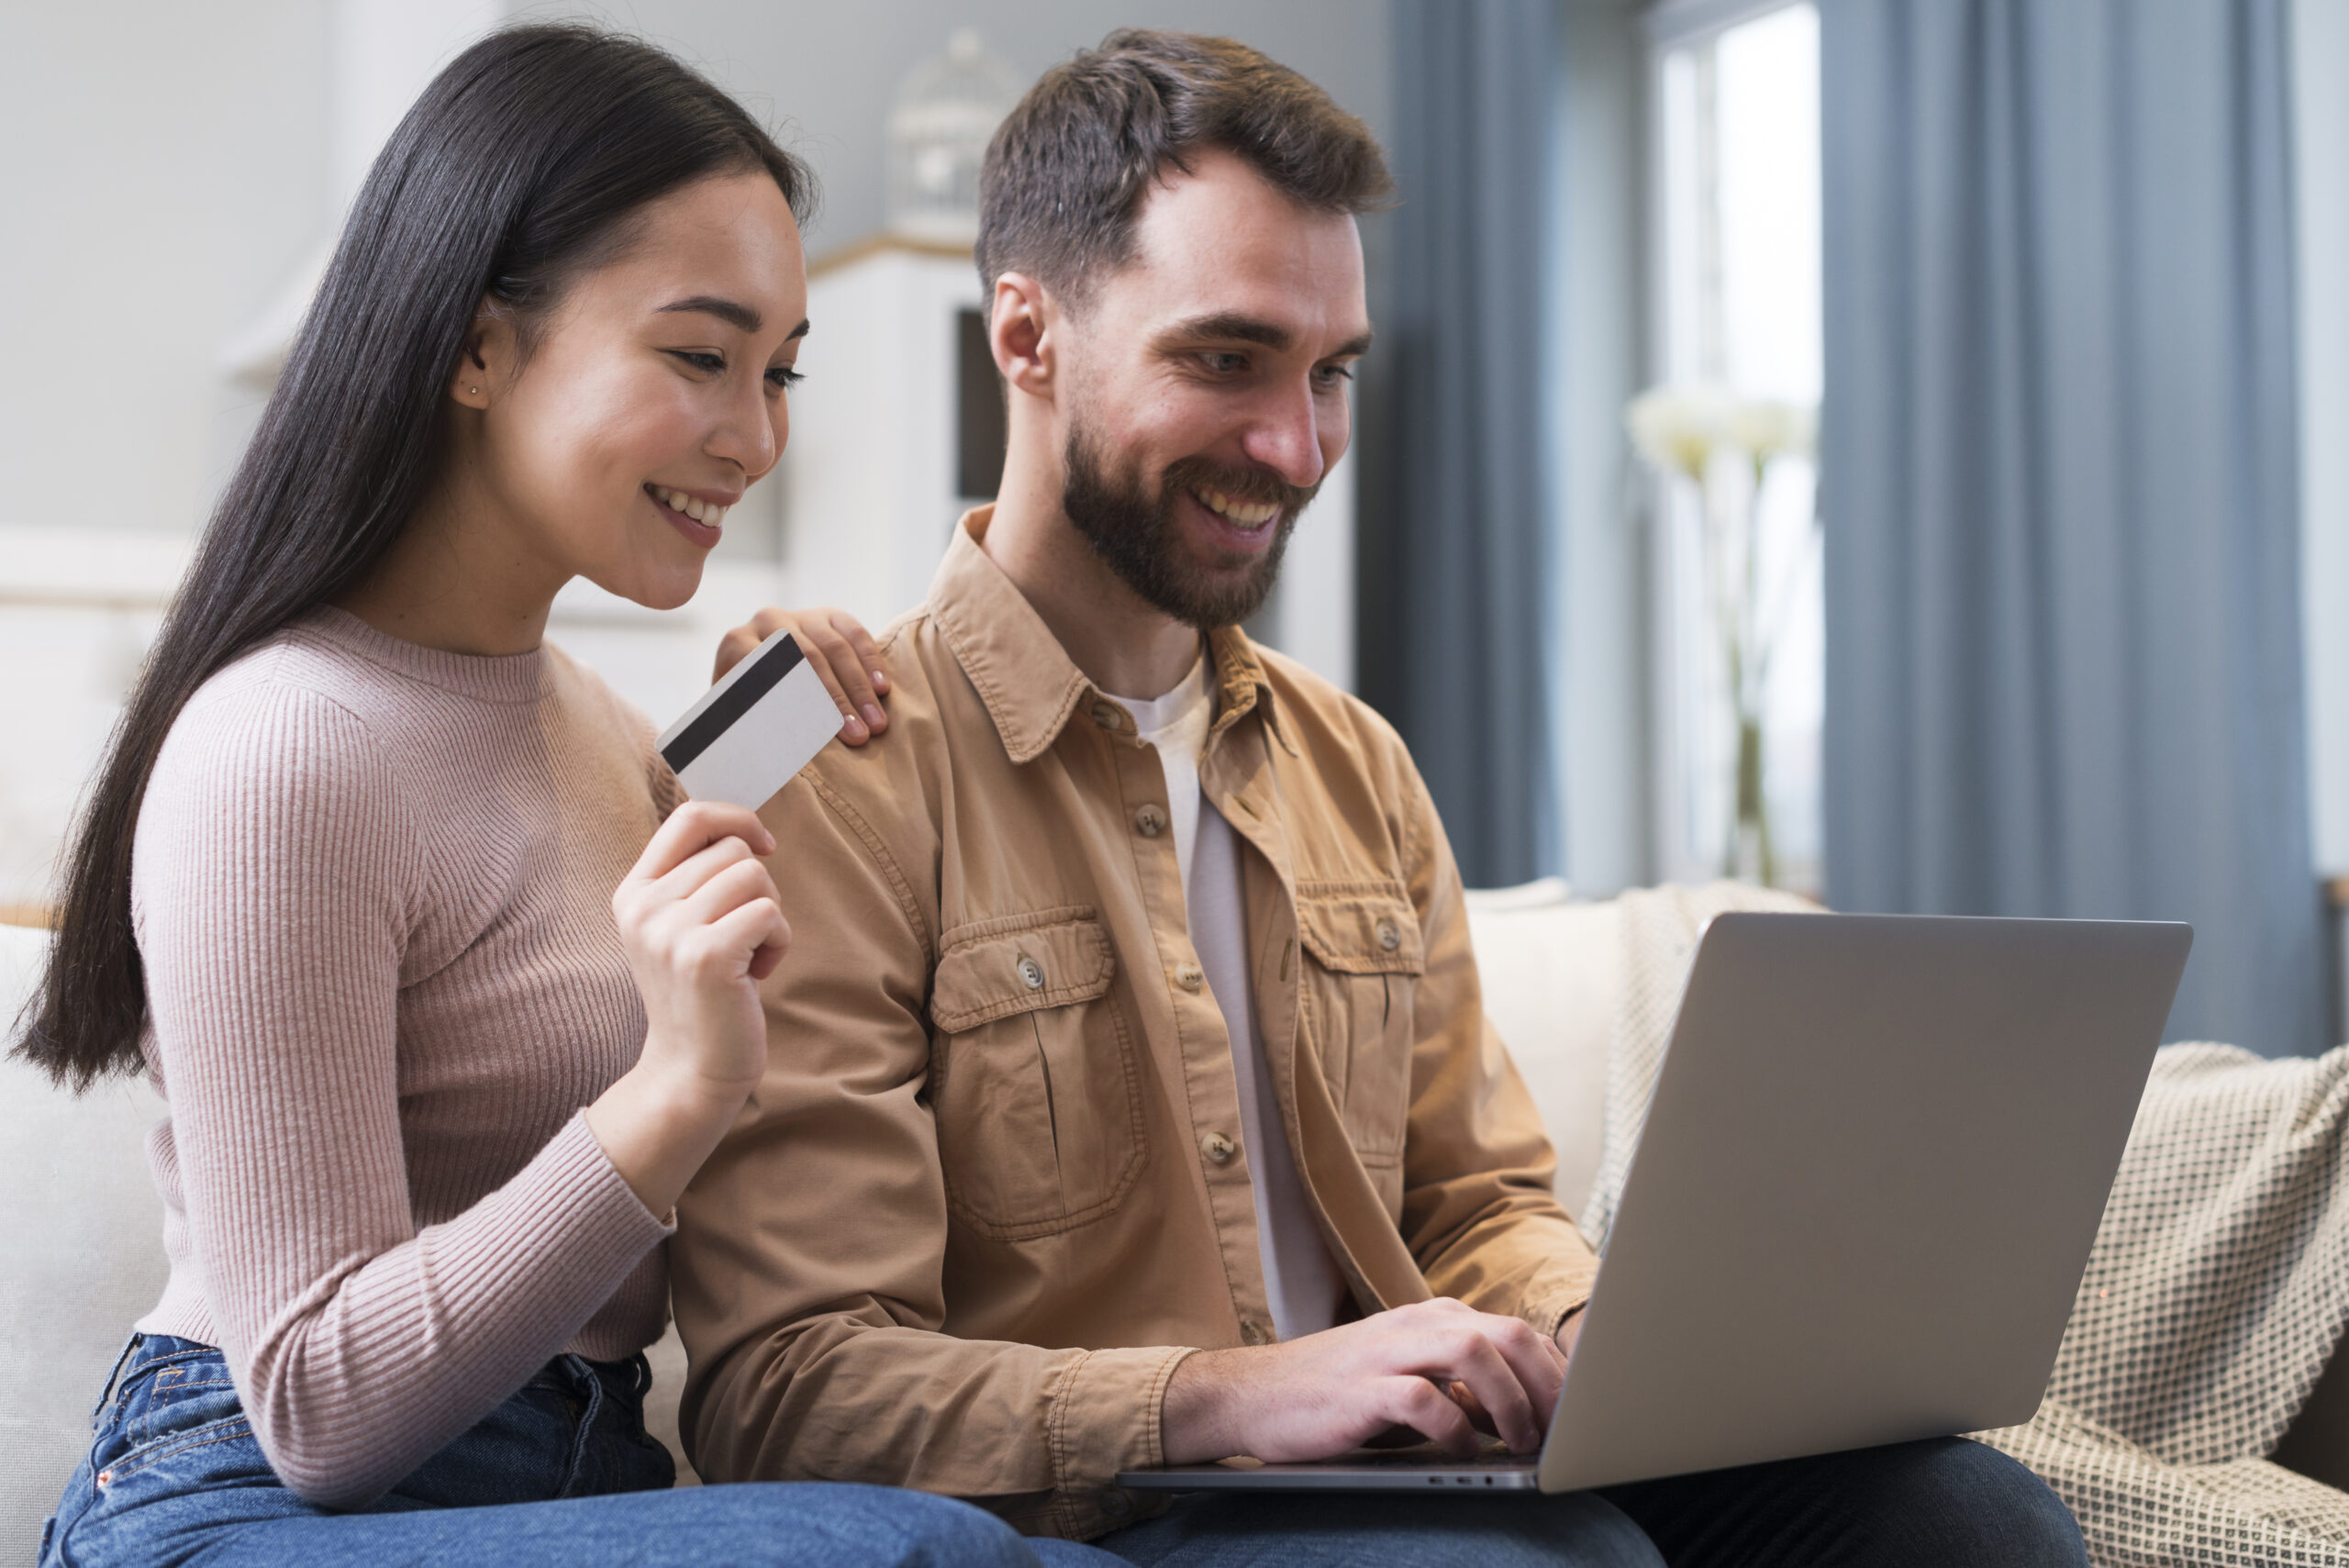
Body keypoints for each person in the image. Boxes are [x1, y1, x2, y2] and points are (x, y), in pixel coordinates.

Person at [670, 29, 2092, 1567]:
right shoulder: (840, 774)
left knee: (1972, 1521)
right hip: (1133, 1508)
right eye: (1224, 359)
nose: (1294, 447)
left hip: (1417, 1470)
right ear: (1026, 337)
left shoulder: (1357, 766)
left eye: (1330, 371)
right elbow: (790, 1393)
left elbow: (1475, 1199)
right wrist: (1233, 1395)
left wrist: (1594, 1330)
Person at [17, 26, 1108, 1567]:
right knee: (921, 1555)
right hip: (246, 1509)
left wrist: (777, 736)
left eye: (779, 369)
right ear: (476, 346)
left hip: (557, 1486)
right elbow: (318, 1407)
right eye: (697, 354)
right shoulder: (277, 748)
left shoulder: (604, 732)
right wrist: (670, 1093)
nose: (756, 434)